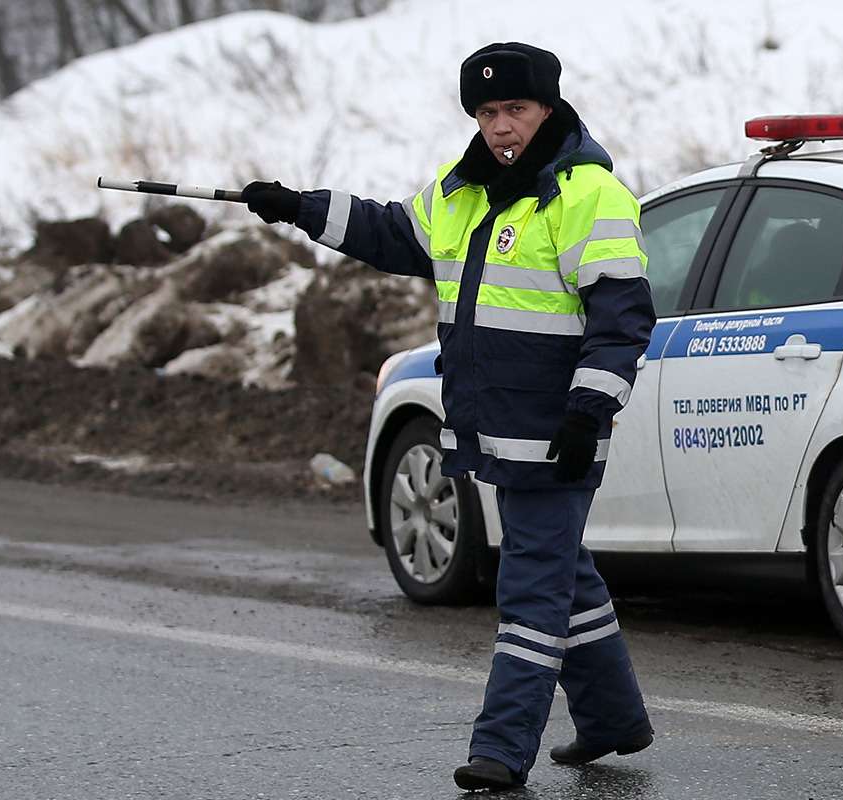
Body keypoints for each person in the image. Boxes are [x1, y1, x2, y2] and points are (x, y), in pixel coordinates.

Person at [241, 41, 655, 792]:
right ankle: (612, 720)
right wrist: (301, 209)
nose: (502, 127)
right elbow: (393, 233)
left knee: (530, 587)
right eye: (488, 112)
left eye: (516, 110)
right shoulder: (461, 191)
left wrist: (587, 413)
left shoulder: (589, 196)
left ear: (549, 108)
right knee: (564, 575)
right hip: (493, 427)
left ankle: (500, 751)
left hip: (556, 433)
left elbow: (621, 320)